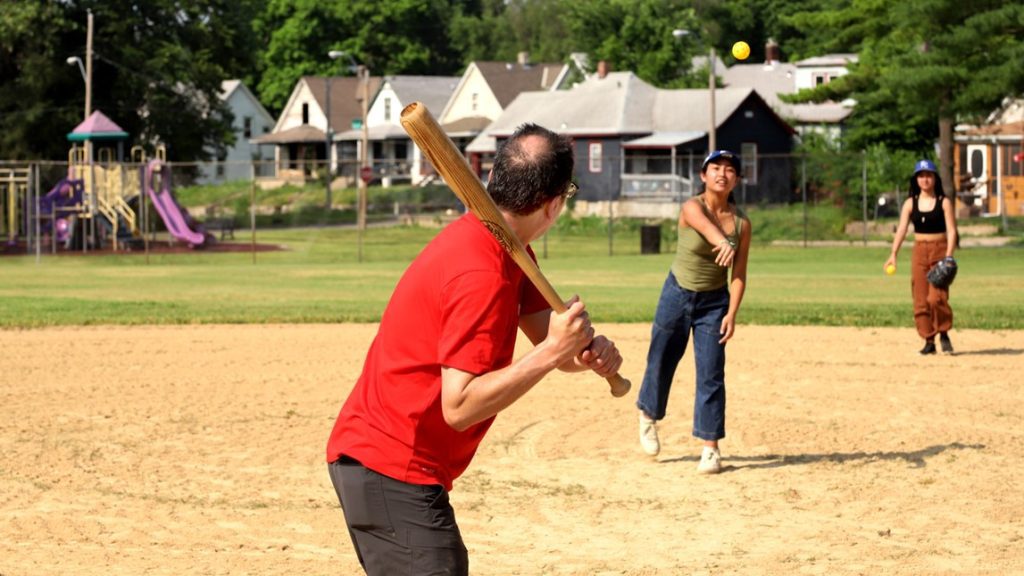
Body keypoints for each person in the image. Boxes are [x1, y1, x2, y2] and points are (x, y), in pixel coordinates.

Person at [325, 123, 623, 575]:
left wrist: (579, 352)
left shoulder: (509, 248)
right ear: (554, 204)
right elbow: (460, 406)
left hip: (394, 466)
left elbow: (550, 340)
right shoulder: (480, 271)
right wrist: (550, 353)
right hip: (390, 466)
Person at [635, 150, 752, 474]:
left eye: (730, 170)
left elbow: (739, 274)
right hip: (676, 294)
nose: (722, 174)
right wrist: (722, 242)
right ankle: (648, 414)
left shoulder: (741, 224)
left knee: (712, 372)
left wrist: (732, 312)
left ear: (736, 180)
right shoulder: (691, 206)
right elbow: (705, 227)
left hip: (714, 303)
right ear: (703, 175)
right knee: (661, 360)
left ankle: (710, 447)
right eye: (715, 168)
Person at [884, 159, 958, 355]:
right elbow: (901, 229)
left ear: (934, 178)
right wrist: (893, 254)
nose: (925, 179)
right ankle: (929, 340)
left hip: (939, 250)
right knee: (920, 300)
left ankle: (943, 332)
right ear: (916, 179)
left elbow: (952, 231)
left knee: (936, 298)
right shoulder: (910, 203)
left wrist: (949, 256)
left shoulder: (944, 202)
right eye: (921, 176)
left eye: (928, 175)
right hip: (919, 252)